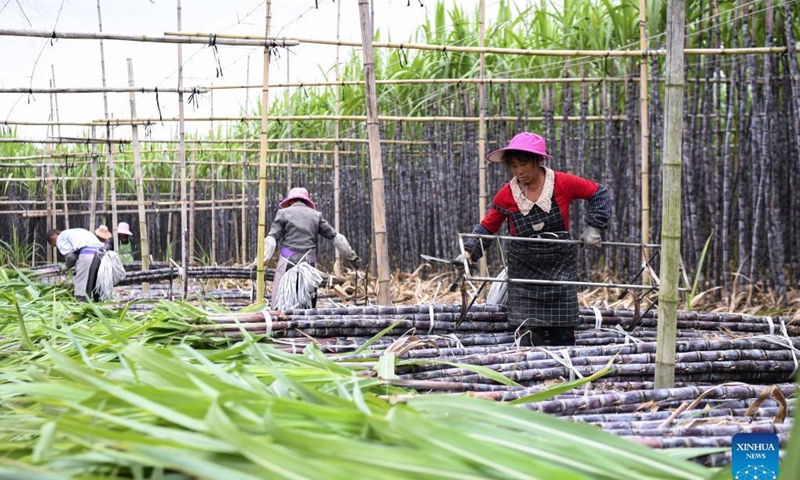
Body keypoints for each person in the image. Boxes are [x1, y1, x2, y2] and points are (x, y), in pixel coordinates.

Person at [458, 132, 611, 346]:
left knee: (563, 336)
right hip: (524, 278)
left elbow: (599, 193)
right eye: (513, 166)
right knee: (528, 338)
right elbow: (488, 226)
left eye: (524, 164)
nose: (519, 171)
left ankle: (563, 376)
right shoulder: (506, 195)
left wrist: (595, 227)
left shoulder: (561, 183)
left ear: (537, 161)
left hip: (559, 276)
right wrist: (468, 252)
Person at [262, 187, 360, 308]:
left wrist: (261, 261)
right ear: (306, 201)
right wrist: (352, 257)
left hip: (288, 262)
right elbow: (335, 237)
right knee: (308, 298)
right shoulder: (316, 215)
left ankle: (281, 319)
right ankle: (308, 320)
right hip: (308, 262)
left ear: (290, 201)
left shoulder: (283, 213)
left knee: (281, 298)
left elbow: (272, 238)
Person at [48, 228, 106, 302]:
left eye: (54, 245)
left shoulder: (60, 238)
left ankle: (82, 310)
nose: (56, 246)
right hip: (102, 255)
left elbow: (71, 258)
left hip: (88, 255)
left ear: (53, 237)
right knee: (96, 287)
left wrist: (64, 267)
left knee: (81, 291)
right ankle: (99, 308)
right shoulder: (74, 232)